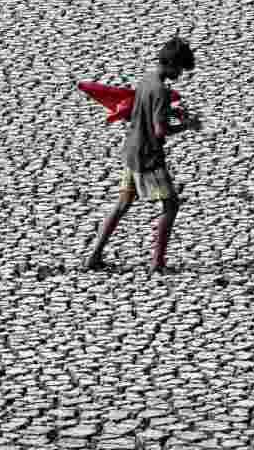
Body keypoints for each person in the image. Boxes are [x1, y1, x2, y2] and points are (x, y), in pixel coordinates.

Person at [84, 36, 201, 273]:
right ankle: (157, 264)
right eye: (179, 69)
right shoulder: (160, 91)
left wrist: (174, 114)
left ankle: (94, 256)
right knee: (171, 205)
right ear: (170, 64)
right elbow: (160, 129)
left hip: (131, 152)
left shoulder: (147, 79)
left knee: (122, 204)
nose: (179, 74)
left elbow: (151, 114)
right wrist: (186, 125)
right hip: (148, 157)